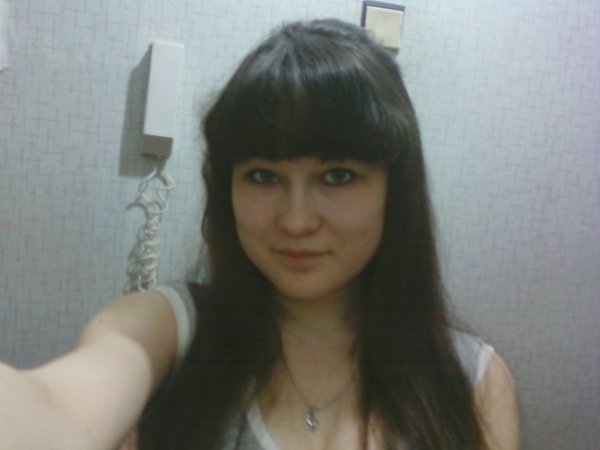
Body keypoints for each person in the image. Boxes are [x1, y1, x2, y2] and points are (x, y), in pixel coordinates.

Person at [0, 19, 518, 450]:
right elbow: (62, 409)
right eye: (264, 176)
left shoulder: (472, 380)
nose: (296, 221)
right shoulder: (166, 331)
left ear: (394, 190)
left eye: (338, 176)